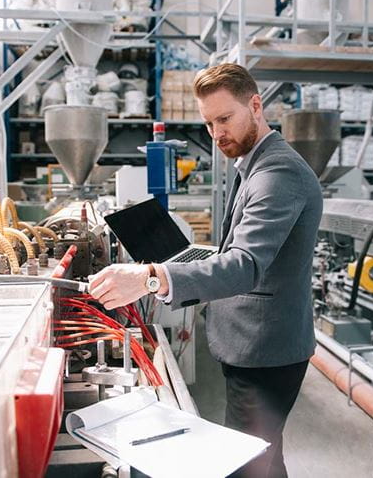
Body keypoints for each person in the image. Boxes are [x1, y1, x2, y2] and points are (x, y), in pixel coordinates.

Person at [88, 63, 322, 477]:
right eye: (209, 123)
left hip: (264, 351)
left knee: (245, 466)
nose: (216, 134)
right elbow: (245, 250)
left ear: (255, 105)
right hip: (256, 343)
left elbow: (246, 265)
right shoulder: (255, 163)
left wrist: (150, 277)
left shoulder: (277, 172)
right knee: (267, 462)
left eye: (225, 118)